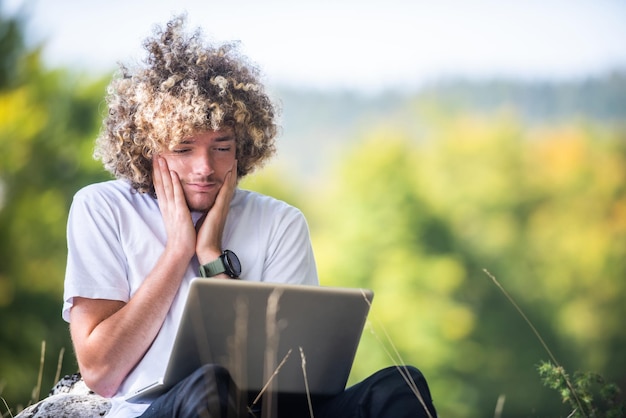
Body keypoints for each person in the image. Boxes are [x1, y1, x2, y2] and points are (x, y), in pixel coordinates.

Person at [63, 15, 438, 418]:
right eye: (184, 148)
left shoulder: (281, 222)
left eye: (221, 148)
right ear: (149, 150)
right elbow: (100, 371)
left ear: (243, 147)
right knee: (210, 388)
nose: (205, 167)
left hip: (266, 412)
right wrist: (177, 252)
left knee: (402, 385)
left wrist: (211, 257)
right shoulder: (102, 208)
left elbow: (298, 379)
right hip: (156, 410)